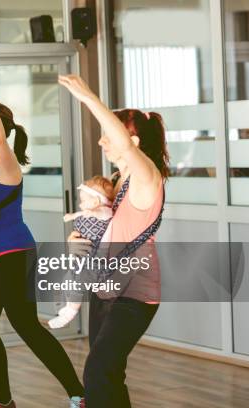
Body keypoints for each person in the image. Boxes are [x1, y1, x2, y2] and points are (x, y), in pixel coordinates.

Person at [0, 64, 84, 408]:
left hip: (13, 254)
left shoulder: (6, 162)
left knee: (26, 326)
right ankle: (2, 399)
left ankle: (79, 393)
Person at [60, 74, 168, 408]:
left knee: (98, 369)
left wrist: (89, 97)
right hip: (105, 286)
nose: (101, 142)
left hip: (134, 294)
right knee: (108, 371)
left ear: (131, 141)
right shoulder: (119, 180)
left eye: (108, 135)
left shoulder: (147, 177)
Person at [49, 175, 114, 329]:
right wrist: (73, 216)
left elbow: (103, 214)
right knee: (66, 280)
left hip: (92, 259)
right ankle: (63, 308)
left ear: (96, 201)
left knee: (76, 285)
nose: (80, 203)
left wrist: (93, 208)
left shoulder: (104, 212)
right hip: (80, 256)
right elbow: (84, 215)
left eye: (84, 200)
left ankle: (70, 312)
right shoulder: (90, 210)